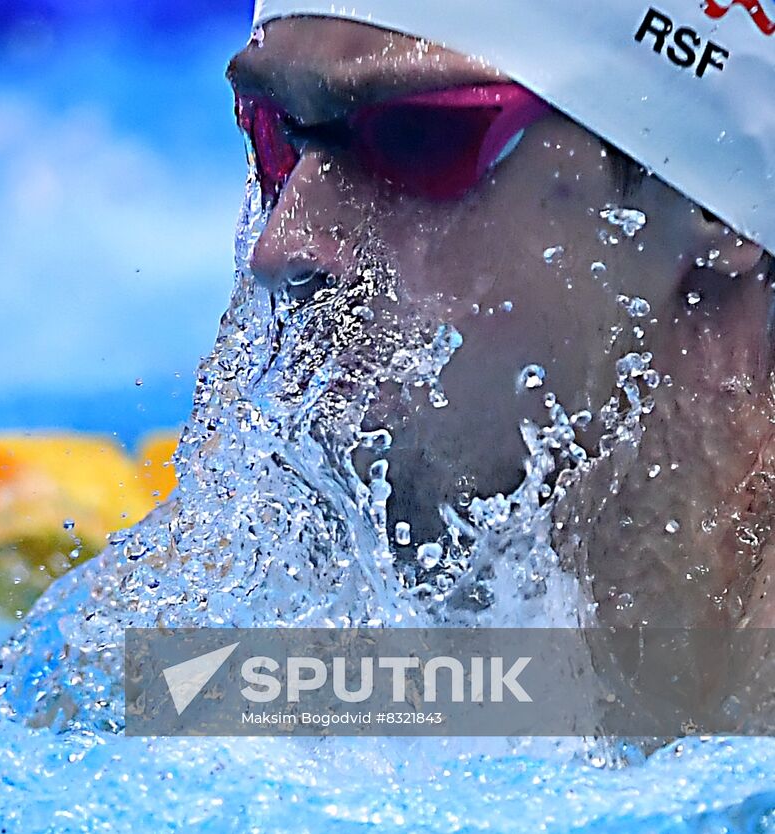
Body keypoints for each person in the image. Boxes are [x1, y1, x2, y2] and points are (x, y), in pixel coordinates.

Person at [226, 3, 775, 631]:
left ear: (714, 201)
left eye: (419, 138)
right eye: (278, 131)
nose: (280, 247)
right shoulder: (189, 640)